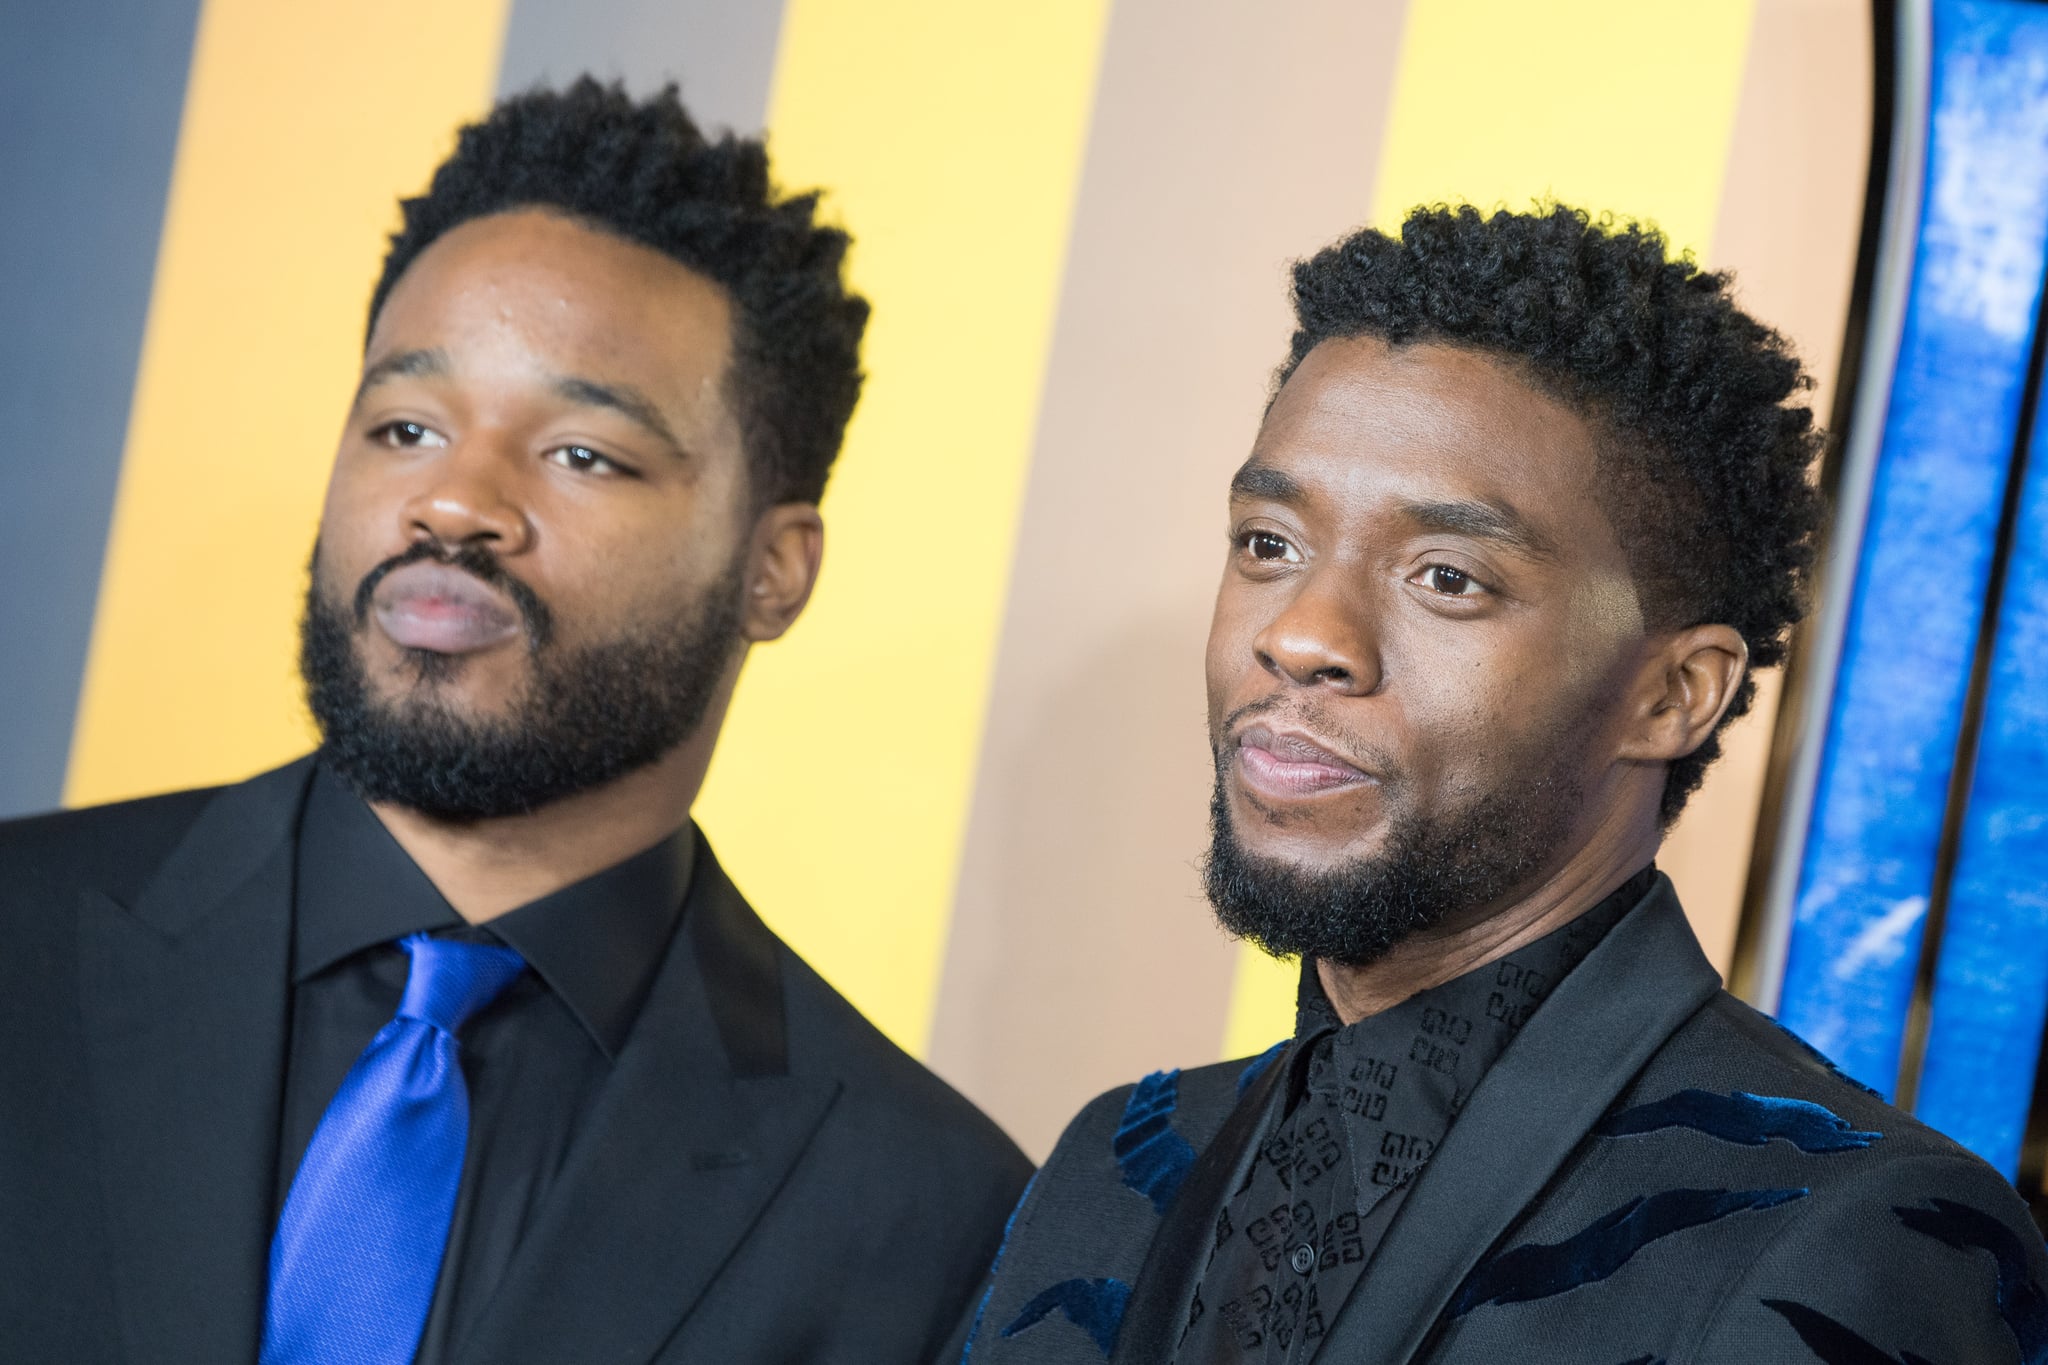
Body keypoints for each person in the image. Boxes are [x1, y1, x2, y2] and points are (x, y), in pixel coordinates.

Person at [0, 79, 1030, 1365]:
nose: (453, 503)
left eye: (581, 454)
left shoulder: (926, 1215)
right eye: (406, 426)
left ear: (775, 569)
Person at [959, 206, 2048, 1365]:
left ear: (1673, 694)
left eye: (1445, 576)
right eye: (1268, 542)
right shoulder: (1115, 1165)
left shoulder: (1855, 1231)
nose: (1302, 636)